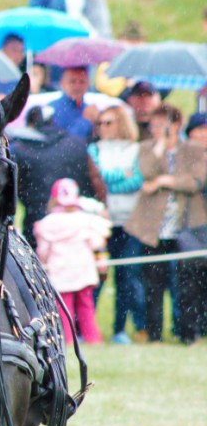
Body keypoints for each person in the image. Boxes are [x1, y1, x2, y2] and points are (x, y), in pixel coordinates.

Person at [124, 105, 207, 344]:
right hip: (154, 229)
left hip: (187, 228)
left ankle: (187, 332)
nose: (158, 129)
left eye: (164, 125)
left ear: (177, 125)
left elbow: (195, 182)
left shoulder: (193, 150)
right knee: (153, 284)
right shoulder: (146, 148)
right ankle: (154, 334)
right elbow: (144, 172)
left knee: (188, 284)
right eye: (155, 125)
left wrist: (163, 180)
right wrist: (159, 147)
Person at [88, 106, 146, 344]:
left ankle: (119, 329)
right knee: (96, 278)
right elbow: (99, 178)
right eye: (100, 123)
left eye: (108, 123)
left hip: (129, 222)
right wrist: (121, 175)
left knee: (126, 277)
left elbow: (137, 181)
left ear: (121, 123)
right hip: (103, 223)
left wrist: (112, 181)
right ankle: (88, 329)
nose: (103, 127)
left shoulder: (135, 149)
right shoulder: (94, 150)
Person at [12, 105, 105, 247]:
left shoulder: (20, 148)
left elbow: (14, 187)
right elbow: (95, 178)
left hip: (38, 221)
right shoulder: (77, 143)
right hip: (79, 220)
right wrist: (101, 204)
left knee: (41, 259)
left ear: (30, 124)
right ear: (52, 121)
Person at [35, 178, 111, 344]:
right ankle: (92, 338)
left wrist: (43, 262)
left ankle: (67, 338)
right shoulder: (86, 220)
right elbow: (97, 243)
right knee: (86, 306)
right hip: (84, 269)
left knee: (64, 307)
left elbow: (43, 251)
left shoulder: (48, 223)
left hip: (59, 270)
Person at [47, 66, 97, 142]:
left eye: (82, 82)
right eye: (72, 81)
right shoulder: (52, 109)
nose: (77, 86)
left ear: (88, 84)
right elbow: (62, 142)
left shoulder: (89, 109)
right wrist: (85, 120)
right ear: (62, 84)